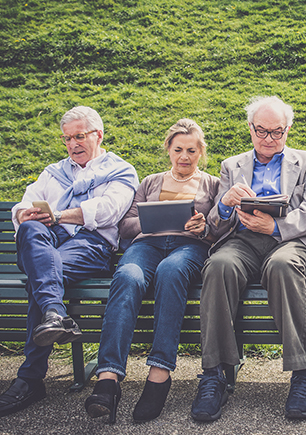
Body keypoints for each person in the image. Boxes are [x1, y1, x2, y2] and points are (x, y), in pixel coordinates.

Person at [0, 106, 139, 418]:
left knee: (42, 277)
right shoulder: (53, 172)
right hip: (47, 241)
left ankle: (29, 379)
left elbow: (107, 210)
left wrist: (57, 215)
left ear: (99, 134)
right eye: (67, 139)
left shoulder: (121, 171)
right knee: (30, 231)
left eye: (79, 136)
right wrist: (23, 213)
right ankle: (55, 314)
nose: (72, 145)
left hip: (90, 244)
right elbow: (26, 200)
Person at [191, 96, 306, 421]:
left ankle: (302, 374)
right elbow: (215, 224)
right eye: (262, 131)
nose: (269, 139)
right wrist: (224, 204)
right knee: (218, 266)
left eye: (277, 132)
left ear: (288, 129)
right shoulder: (231, 165)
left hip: (288, 239)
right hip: (244, 240)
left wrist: (276, 225)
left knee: (282, 267)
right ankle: (215, 374)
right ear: (250, 129)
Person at [83, 119, 221, 423]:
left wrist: (203, 227)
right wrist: (151, 220)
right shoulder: (150, 182)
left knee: (171, 272)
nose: (184, 157)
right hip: (147, 244)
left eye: (191, 150)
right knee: (127, 276)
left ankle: (159, 374)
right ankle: (108, 380)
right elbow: (126, 226)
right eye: (178, 150)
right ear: (168, 150)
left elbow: (218, 230)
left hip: (188, 246)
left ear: (201, 152)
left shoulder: (212, 183)